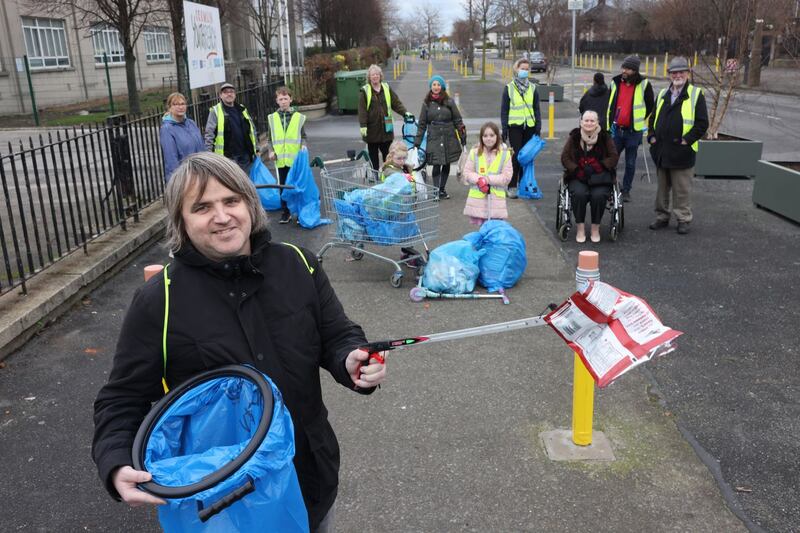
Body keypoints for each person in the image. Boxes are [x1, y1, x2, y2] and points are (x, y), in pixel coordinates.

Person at [91, 152, 387, 532]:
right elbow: (121, 398)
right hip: (223, 502)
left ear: (249, 203)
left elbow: (337, 334)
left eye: (231, 200)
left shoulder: (298, 263)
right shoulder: (159, 300)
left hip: (308, 476)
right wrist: (115, 463)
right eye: (202, 207)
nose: (222, 216)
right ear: (181, 220)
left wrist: (352, 360)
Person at [647, 56, 709, 235]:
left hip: (682, 151)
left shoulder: (696, 95)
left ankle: (683, 219)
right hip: (661, 151)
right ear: (669, 75)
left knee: (682, 190)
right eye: (674, 72)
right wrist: (651, 137)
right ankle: (662, 217)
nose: (677, 75)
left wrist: (686, 140)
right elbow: (653, 118)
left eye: (681, 72)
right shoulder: (662, 94)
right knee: (662, 189)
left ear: (687, 74)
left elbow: (702, 124)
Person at [561, 110, 620, 243]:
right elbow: (565, 157)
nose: (589, 123)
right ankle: (580, 228)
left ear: (597, 122)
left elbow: (614, 157)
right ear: (581, 122)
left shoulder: (605, 137)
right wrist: (576, 169)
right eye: (586, 120)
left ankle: (595, 228)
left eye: (592, 120)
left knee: (598, 195)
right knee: (579, 194)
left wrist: (598, 166)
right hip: (578, 176)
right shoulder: (574, 137)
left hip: (600, 177)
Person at [606, 55, 654, 203]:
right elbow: (609, 103)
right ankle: (612, 185)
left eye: (628, 68)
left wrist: (637, 119)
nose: (624, 71)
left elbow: (650, 105)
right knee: (610, 161)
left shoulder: (644, 84)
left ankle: (626, 190)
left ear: (635, 70)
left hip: (633, 132)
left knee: (631, 162)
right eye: (624, 67)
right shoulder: (615, 83)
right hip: (616, 130)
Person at [414, 75, 465, 200]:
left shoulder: (450, 102)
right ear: (431, 87)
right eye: (434, 85)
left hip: (449, 137)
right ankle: (436, 191)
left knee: (446, 163)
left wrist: (463, 137)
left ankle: (442, 189)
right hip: (434, 137)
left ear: (441, 86)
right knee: (436, 163)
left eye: (438, 84)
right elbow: (422, 124)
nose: (436, 87)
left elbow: (458, 120)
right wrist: (417, 143)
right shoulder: (426, 104)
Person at [501, 57, 541, 199]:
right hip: (515, 127)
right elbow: (504, 110)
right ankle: (512, 186)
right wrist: (504, 128)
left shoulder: (533, 88)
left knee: (527, 157)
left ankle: (524, 185)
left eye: (526, 69)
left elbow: (536, 108)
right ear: (516, 69)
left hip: (530, 126)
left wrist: (538, 126)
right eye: (522, 68)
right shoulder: (509, 88)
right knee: (517, 156)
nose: (524, 71)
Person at [266, 86, 307, 224]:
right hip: (280, 160)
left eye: (285, 98)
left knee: (296, 186)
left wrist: (304, 145)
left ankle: (299, 213)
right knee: (282, 187)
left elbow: (303, 136)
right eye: (280, 99)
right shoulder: (272, 118)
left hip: (294, 159)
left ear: (291, 99)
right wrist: (271, 150)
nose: (283, 101)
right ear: (277, 101)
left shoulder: (298, 117)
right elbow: (269, 138)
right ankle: (286, 212)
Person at [357, 64, 410, 172]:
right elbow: (362, 110)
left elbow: (396, 103)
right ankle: (375, 175)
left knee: (389, 155)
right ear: (369, 77)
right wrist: (363, 125)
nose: (375, 76)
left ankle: (389, 175)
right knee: (373, 157)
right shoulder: (365, 91)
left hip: (387, 127)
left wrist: (405, 113)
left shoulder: (386, 87)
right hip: (372, 129)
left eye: (377, 74)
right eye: (373, 75)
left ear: (380, 76)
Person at [462, 122, 512, 225]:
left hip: (496, 202)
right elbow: (467, 172)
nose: (488, 139)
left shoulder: (505, 154)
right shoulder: (474, 152)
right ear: (481, 137)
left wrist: (487, 180)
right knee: (483, 232)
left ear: (497, 136)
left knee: (494, 232)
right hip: (478, 201)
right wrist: (479, 179)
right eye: (485, 136)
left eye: (492, 135)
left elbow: (507, 177)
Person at [204, 82, 258, 172]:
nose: (229, 94)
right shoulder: (215, 111)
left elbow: (252, 129)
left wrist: (257, 149)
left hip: (245, 155)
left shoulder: (242, 109)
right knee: (232, 184)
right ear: (220, 95)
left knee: (246, 183)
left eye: (231, 92)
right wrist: (209, 154)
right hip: (227, 157)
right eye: (225, 92)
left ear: (235, 94)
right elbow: (209, 134)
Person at [159, 92, 205, 181]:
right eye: (176, 104)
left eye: (182, 104)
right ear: (169, 108)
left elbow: (202, 148)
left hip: (201, 173)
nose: (180, 107)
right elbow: (171, 159)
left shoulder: (191, 123)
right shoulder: (167, 129)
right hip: (185, 177)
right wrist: (177, 181)